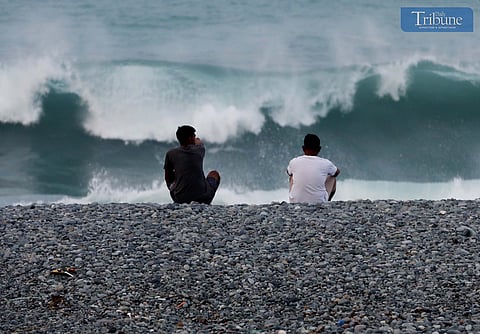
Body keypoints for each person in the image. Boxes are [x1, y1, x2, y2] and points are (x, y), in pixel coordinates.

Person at [164, 125, 220, 204]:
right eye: (194, 135)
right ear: (190, 138)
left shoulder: (171, 154)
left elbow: (168, 178)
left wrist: (173, 188)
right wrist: (196, 140)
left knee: (174, 173)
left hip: (179, 199)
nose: (195, 137)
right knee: (214, 174)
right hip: (203, 198)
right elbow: (199, 142)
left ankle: (180, 192)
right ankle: (205, 202)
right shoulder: (199, 149)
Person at [286, 133, 340, 203]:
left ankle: (294, 199)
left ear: (303, 148)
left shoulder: (294, 161)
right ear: (319, 149)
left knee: (292, 176)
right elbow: (337, 172)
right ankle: (327, 202)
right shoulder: (326, 163)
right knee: (332, 176)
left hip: (295, 202)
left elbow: (288, 172)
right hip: (319, 201)